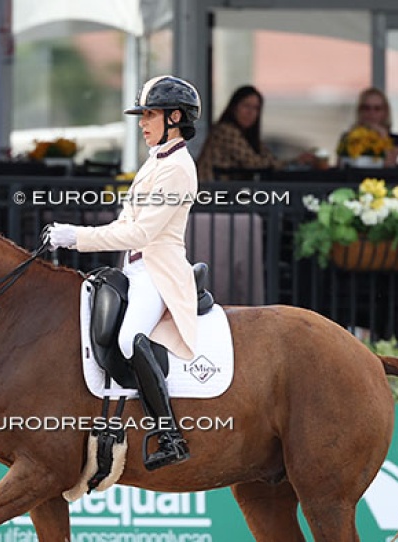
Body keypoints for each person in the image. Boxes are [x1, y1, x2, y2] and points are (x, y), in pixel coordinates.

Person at [45, 75, 199, 471]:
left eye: (150, 114)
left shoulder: (178, 168)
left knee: (132, 337)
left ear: (175, 117)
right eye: (142, 115)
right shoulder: (156, 161)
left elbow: (141, 232)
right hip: (134, 268)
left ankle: (170, 435)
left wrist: (75, 237)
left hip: (158, 271)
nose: (143, 122)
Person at [196, 85, 313, 181]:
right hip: (210, 196)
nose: (250, 113)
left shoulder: (246, 135)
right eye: (246, 106)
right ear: (234, 107)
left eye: (256, 108)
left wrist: (295, 161)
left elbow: (268, 158)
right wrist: (293, 162)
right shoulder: (226, 130)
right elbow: (253, 162)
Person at [336, 87, 398, 167]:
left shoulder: (394, 139)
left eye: (377, 109)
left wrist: (383, 137)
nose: (371, 113)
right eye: (367, 108)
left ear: (385, 112)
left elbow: (390, 165)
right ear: (360, 111)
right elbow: (340, 167)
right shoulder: (348, 137)